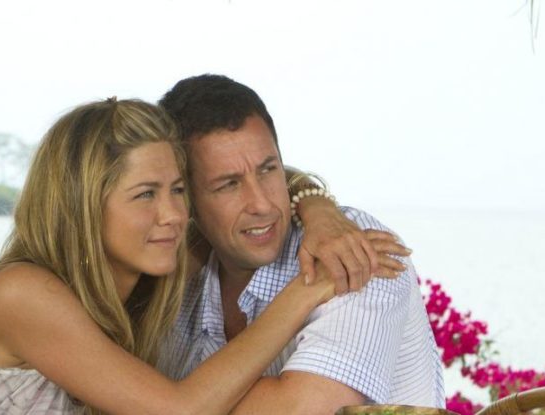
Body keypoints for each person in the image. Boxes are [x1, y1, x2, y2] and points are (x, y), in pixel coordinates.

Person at [0, 98, 338, 414]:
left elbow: (247, 187)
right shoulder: (21, 294)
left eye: (178, 190)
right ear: (83, 206)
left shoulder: (147, 271)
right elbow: (180, 411)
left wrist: (317, 209)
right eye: (145, 194)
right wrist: (309, 286)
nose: (174, 215)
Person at [157, 74, 445, 414]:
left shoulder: (351, 247)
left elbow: (304, 408)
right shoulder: (178, 275)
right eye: (228, 185)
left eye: (268, 170)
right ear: (185, 198)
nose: (262, 203)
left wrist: (170, 398)